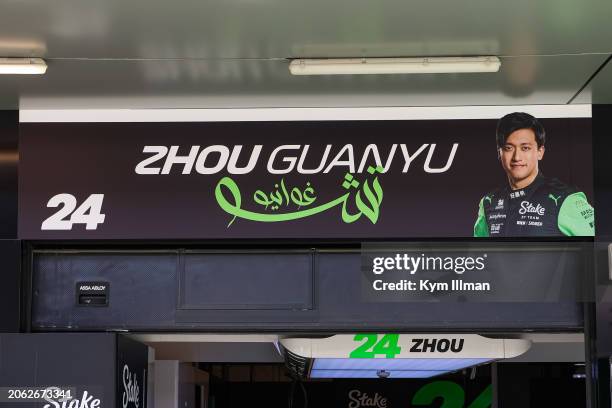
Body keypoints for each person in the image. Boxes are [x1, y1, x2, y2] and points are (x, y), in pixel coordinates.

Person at [473, 112, 594, 237]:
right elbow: (480, 254)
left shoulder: (565, 198)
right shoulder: (489, 201)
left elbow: (601, 248)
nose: (517, 157)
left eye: (525, 148)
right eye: (509, 148)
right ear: (500, 152)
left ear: (540, 152)